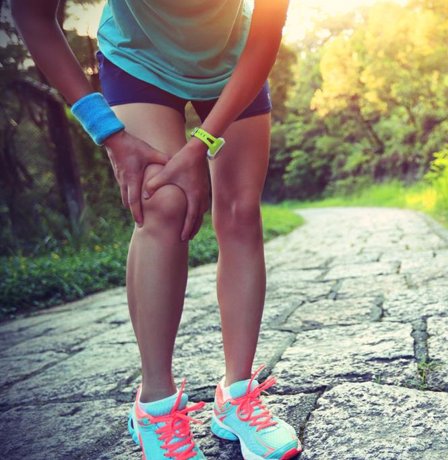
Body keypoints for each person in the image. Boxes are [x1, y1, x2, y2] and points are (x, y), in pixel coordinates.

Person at [10, 0, 302, 459]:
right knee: (163, 203)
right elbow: (31, 13)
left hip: (234, 59)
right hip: (138, 60)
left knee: (241, 211)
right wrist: (108, 132)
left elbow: (267, 31)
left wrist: (203, 141)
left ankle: (238, 395)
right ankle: (156, 406)